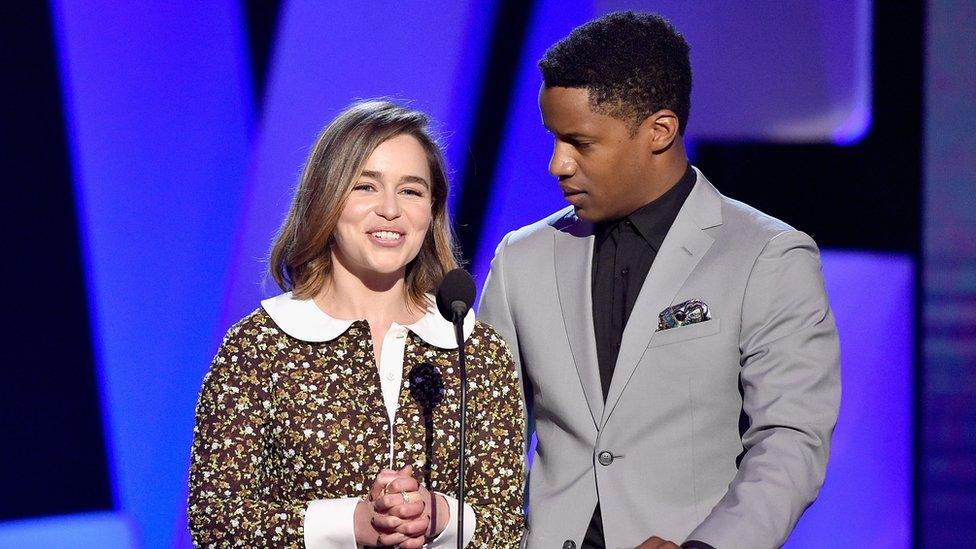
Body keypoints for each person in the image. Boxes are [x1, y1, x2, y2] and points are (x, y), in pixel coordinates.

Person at [479, 12, 840, 549]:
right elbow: (486, 443)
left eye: (579, 142)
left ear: (660, 131)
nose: (557, 164)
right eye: (554, 139)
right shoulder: (520, 259)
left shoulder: (766, 255)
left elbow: (789, 440)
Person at [188, 100, 525, 548]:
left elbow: (505, 522)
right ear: (326, 199)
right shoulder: (260, 346)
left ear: (432, 210)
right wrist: (354, 523)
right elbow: (215, 519)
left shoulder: (473, 348)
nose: (390, 209)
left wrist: (436, 516)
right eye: (366, 187)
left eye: (411, 191)